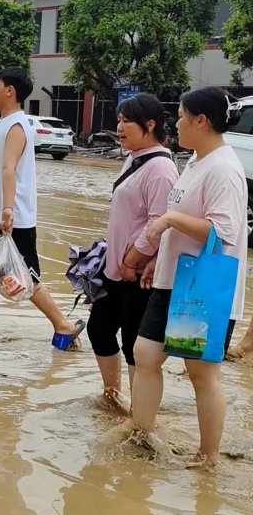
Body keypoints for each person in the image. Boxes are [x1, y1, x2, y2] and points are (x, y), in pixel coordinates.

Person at [131, 87, 248, 467]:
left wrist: (169, 220)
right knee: (145, 354)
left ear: (201, 120)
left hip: (201, 288)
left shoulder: (224, 169)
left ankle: (209, 456)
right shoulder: (197, 161)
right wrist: (156, 260)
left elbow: (224, 231)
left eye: (181, 115)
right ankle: (141, 434)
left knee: (200, 374)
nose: (175, 122)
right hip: (173, 280)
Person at [0, 67, 83, 345]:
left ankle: (62, 325)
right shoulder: (1, 124)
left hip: (13, 218)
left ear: (10, 91)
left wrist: (8, 209)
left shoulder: (16, 126)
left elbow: (9, 169)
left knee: (27, 276)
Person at [86, 93, 178, 403]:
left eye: (127, 121)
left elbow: (159, 223)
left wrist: (133, 258)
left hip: (138, 274)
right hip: (116, 269)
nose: (119, 127)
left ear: (149, 125)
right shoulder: (134, 157)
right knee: (99, 329)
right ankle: (113, 396)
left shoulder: (162, 169)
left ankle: (141, 414)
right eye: (119, 120)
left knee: (134, 345)